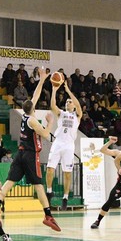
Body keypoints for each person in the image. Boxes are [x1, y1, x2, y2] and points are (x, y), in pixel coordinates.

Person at [0, 69, 59, 231]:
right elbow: (46, 134)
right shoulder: (33, 121)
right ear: (32, 108)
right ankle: (48, 215)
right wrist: (50, 121)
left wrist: (42, 80)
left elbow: (35, 95)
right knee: (38, 185)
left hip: (20, 154)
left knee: (10, 181)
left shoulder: (25, 115)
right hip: (29, 155)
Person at [45, 77, 81, 211]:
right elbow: (52, 106)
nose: (68, 102)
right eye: (66, 101)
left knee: (67, 173)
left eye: (70, 101)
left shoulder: (77, 116)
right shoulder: (61, 113)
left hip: (69, 145)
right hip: (58, 142)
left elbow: (78, 104)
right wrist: (54, 90)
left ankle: (65, 197)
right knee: (49, 169)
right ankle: (49, 191)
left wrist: (68, 90)